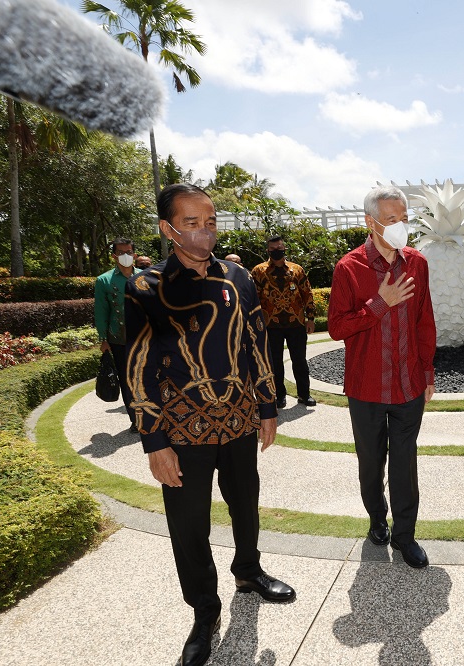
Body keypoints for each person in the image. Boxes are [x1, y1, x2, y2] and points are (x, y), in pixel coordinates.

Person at [125, 183, 294, 666]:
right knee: (189, 523)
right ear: (168, 228)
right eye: (192, 223)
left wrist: (266, 405)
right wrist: (154, 442)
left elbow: (256, 343)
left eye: (211, 221)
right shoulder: (146, 288)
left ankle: (249, 571)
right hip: (180, 432)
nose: (204, 232)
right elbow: (136, 370)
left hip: (240, 419)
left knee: (246, 502)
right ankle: (204, 609)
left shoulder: (239, 276)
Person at [327, 185, 436, 570]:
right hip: (366, 387)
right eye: (391, 220)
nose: (400, 227)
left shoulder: (417, 264)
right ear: (370, 222)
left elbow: (425, 321)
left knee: (405, 462)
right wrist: (379, 303)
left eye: (404, 219)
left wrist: (427, 373)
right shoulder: (349, 267)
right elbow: (337, 327)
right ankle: (377, 518)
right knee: (370, 462)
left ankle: (405, 535)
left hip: (408, 385)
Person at [251, 236, 316, 408]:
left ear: (284, 248)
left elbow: (307, 294)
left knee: (300, 361)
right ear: (268, 251)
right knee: (275, 363)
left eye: (279, 247)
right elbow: (253, 299)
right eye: (273, 249)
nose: (277, 251)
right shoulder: (259, 271)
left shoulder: (296, 269)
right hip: (271, 326)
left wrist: (310, 318)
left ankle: (304, 394)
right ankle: (280, 396)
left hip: (296, 323)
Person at [94, 237, 137, 433]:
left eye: (129, 252)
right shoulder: (104, 280)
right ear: (114, 256)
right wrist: (103, 339)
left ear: (134, 254)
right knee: (127, 380)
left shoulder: (146, 276)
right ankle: (136, 420)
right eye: (121, 253)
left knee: (148, 378)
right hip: (119, 339)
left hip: (145, 337)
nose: (126, 256)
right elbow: (101, 311)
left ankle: (153, 416)